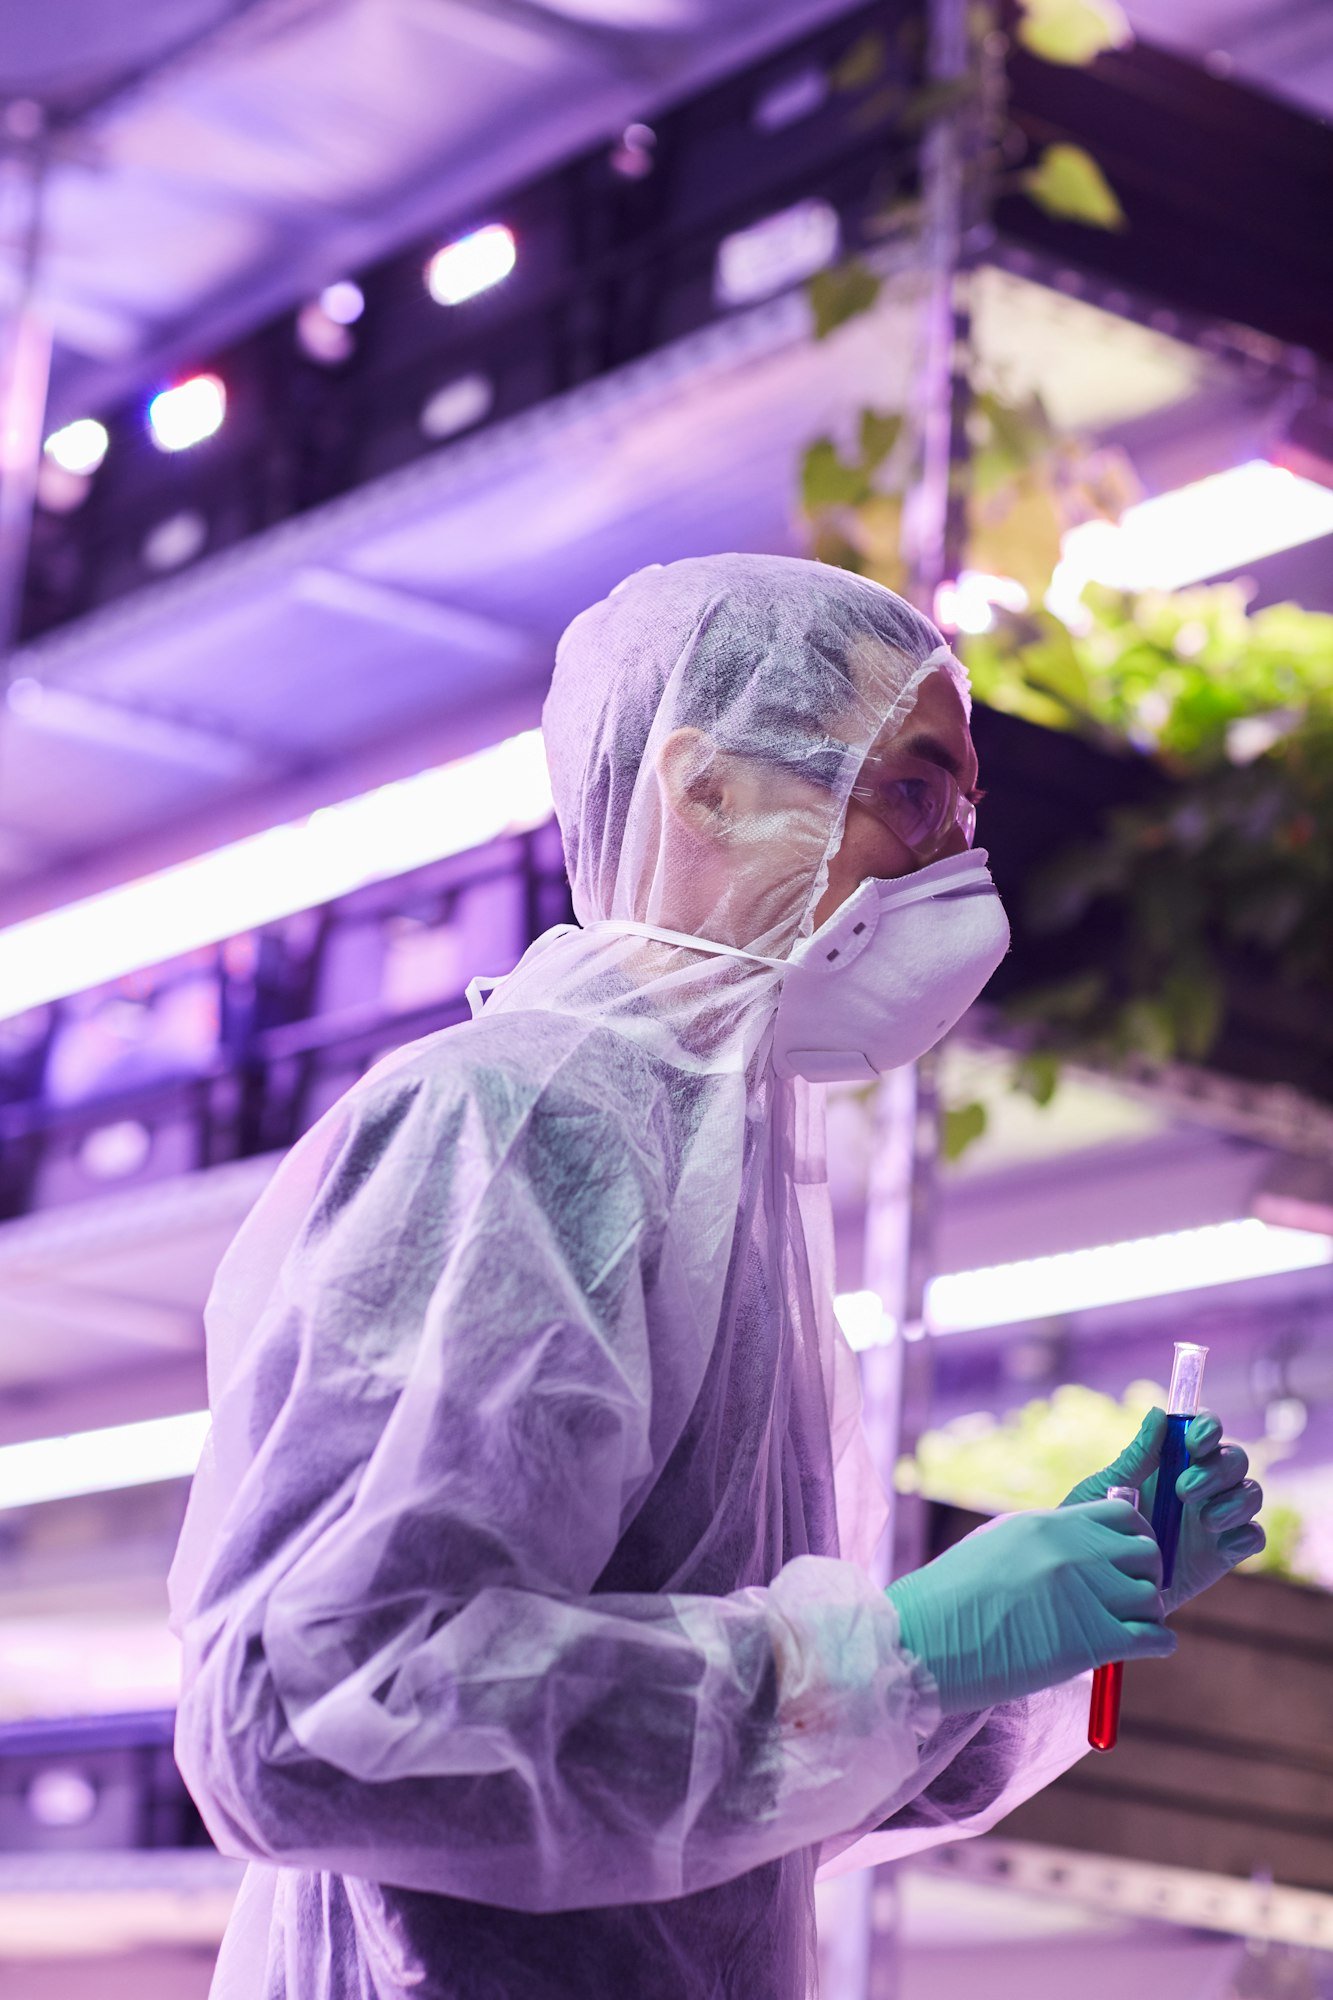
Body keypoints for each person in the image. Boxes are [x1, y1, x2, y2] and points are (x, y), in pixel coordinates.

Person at [168, 554, 1264, 2000]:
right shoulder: (518, 1124)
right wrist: (912, 1645)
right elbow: (312, 1719)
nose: (958, 876)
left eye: (968, 820)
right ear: (706, 790)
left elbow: (733, 1804)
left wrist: (1013, 1643)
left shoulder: (734, 1179)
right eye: (914, 797)